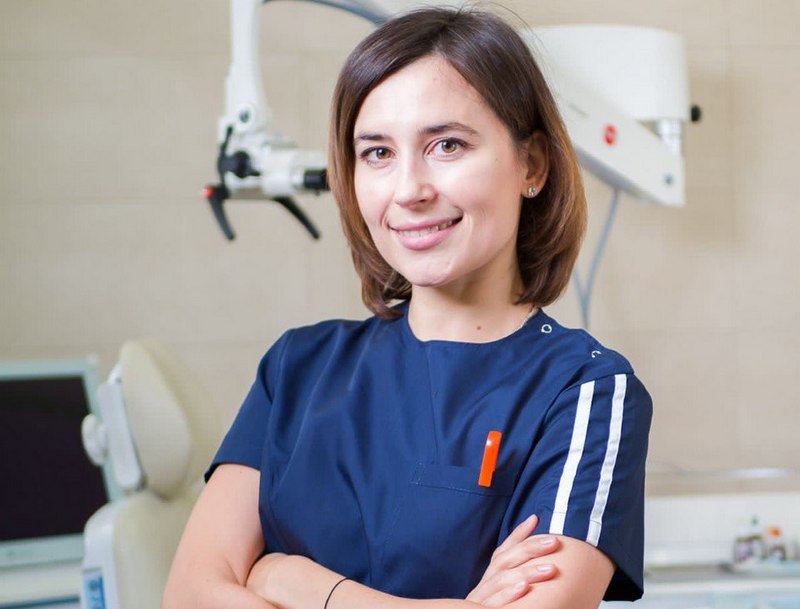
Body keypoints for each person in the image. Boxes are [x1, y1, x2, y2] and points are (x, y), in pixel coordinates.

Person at [162, 6, 652, 609]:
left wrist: (298, 583)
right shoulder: (297, 369)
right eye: (377, 153)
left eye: (447, 145)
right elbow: (189, 597)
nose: (409, 190)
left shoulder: (585, 391)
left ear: (532, 164)